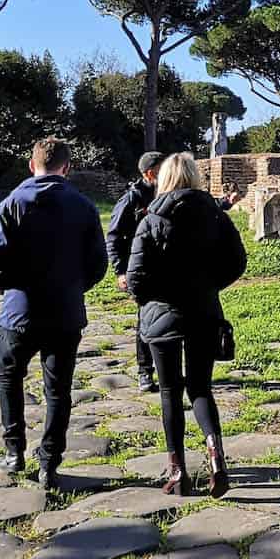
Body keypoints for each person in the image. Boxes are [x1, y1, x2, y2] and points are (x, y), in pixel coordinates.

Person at [0, 137, 108, 487]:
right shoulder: (83, 207)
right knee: (58, 390)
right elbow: (98, 263)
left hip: (19, 311)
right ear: (66, 168)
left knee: (9, 378)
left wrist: (11, 288)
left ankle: (14, 451)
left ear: (31, 165)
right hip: (64, 311)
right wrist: (73, 287)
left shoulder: (10, 204)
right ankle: (49, 461)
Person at [126, 152, 247, 498]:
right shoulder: (215, 216)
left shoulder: (151, 219)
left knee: (169, 392)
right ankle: (216, 459)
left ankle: (178, 472)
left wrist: (151, 297)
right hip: (203, 311)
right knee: (200, 389)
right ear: (195, 177)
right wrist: (209, 287)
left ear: (163, 179)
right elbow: (237, 261)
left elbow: (135, 277)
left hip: (161, 315)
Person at [106, 151, 166, 392]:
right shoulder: (132, 199)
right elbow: (113, 236)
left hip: (166, 267)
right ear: (150, 173)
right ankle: (145, 372)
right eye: (162, 169)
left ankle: (169, 370)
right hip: (141, 268)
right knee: (146, 319)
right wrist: (120, 271)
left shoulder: (167, 192)